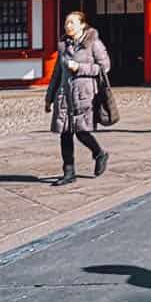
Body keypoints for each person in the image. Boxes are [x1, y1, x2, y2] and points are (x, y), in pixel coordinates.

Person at [44, 11, 110, 186]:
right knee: (65, 134)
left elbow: (104, 67)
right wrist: (49, 97)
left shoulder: (93, 43)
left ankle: (99, 153)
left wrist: (80, 68)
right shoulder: (63, 46)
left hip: (84, 94)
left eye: (72, 22)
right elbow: (57, 73)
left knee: (81, 132)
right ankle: (68, 172)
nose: (68, 26)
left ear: (82, 25)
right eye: (66, 23)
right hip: (64, 95)